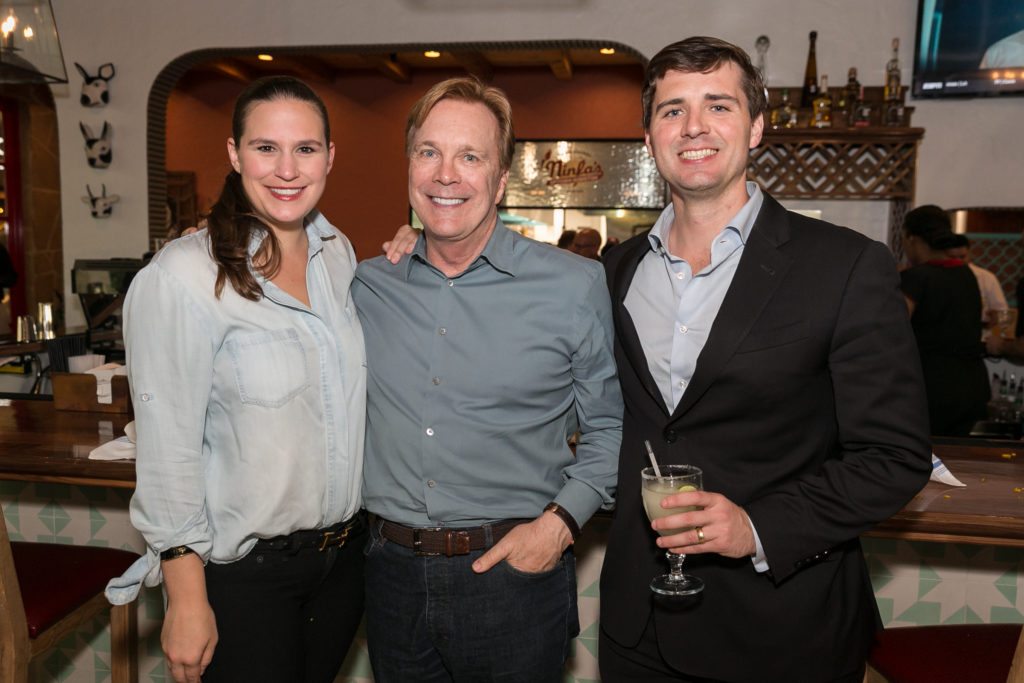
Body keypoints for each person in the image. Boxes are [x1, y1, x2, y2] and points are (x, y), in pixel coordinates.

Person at [598, 37, 931, 681]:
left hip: (781, 630)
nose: (693, 127)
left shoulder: (844, 266)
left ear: (755, 129)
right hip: (637, 626)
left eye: (717, 106)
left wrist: (755, 527)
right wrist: (433, 239)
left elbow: (894, 459)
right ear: (648, 138)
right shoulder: (614, 271)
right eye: (672, 111)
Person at [352, 76, 622, 682]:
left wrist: (558, 527)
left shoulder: (572, 286)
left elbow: (609, 428)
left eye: (470, 156)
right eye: (429, 152)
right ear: (410, 168)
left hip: (513, 578)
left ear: (501, 181)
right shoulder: (366, 284)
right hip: (389, 573)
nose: (446, 174)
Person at [105, 76, 367, 683]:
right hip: (245, 576)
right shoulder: (182, 278)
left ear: (330, 156)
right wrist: (186, 596)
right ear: (233, 154)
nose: (287, 168)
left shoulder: (339, 255)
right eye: (265, 147)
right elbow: (166, 449)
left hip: (343, 565)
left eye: (305, 149)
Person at [901, 205, 990, 437]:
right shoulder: (966, 273)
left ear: (911, 238)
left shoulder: (916, 279)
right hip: (971, 387)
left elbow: (893, 332)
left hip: (931, 387)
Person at [946, 233, 1008, 331]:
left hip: (981, 334)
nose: (958, 262)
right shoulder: (938, 277)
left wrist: (996, 317)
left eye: (962, 257)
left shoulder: (986, 278)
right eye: (953, 257)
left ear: (969, 254)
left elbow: (1003, 313)